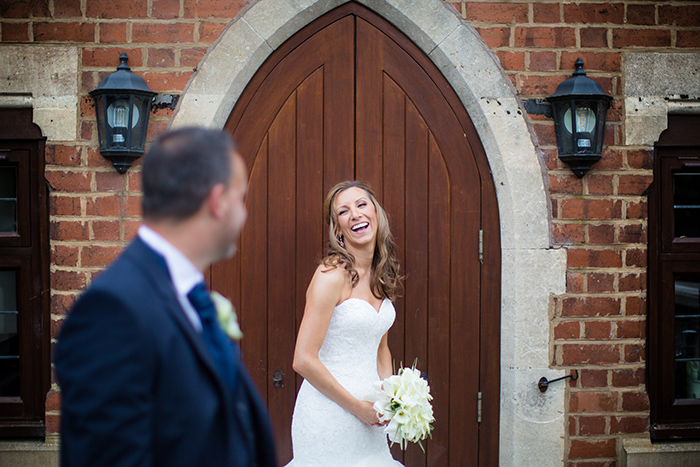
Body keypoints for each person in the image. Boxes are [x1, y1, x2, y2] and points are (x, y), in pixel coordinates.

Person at [54, 127, 278, 467]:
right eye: (241, 198)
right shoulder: (113, 312)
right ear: (217, 202)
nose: (243, 213)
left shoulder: (191, 298)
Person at [285, 181, 404, 466]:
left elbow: (381, 348)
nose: (355, 214)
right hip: (329, 416)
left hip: (370, 419)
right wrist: (357, 408)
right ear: (338, 229)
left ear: (376, 213)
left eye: (362, 204)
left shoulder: (381, 276)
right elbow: (303, 360)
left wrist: (390, 398)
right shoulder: (331, 276)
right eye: (344, 211)